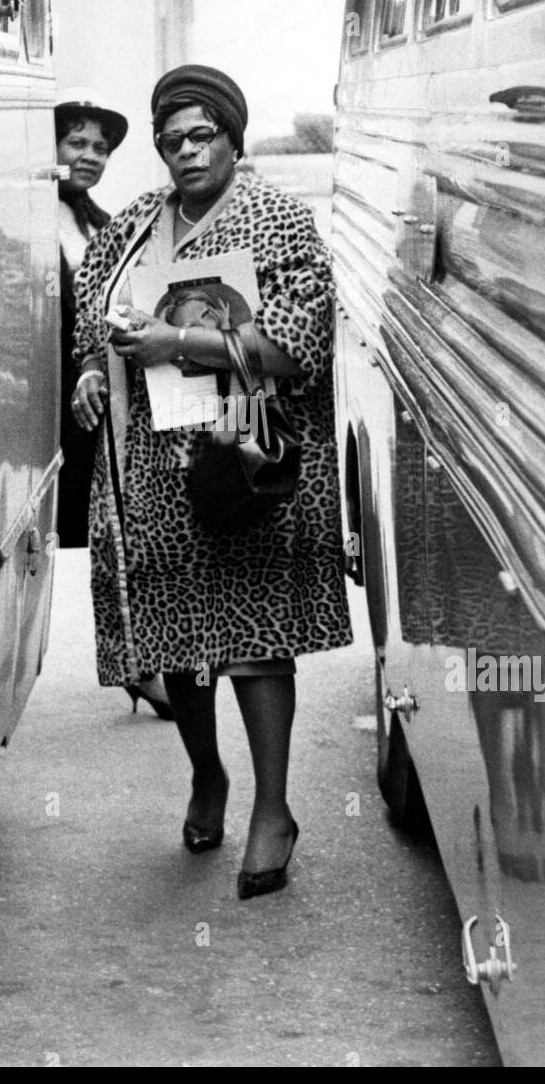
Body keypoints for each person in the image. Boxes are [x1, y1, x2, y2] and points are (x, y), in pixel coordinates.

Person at [71, 64, 353, 899]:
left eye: (201, 136)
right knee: (176, 634)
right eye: (171, 140)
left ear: (233, 136)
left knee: (258, 640)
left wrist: (177, 345)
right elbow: (97, 316)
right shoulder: (129, 227)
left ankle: (274, 808)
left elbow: (298, 344)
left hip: (246, 461)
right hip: (156, 467)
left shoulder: (279, 220)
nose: (185, 152)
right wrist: (93, 368)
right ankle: (208, 777)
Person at [54, 89, 173, 721]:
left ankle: (144, 664)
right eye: (77, 143)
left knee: (121, 535)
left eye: (100, 147)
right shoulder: (21, 215)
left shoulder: (101, 225)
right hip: (37, 408)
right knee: (87, 536)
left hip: (94, 404)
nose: (91, 156)